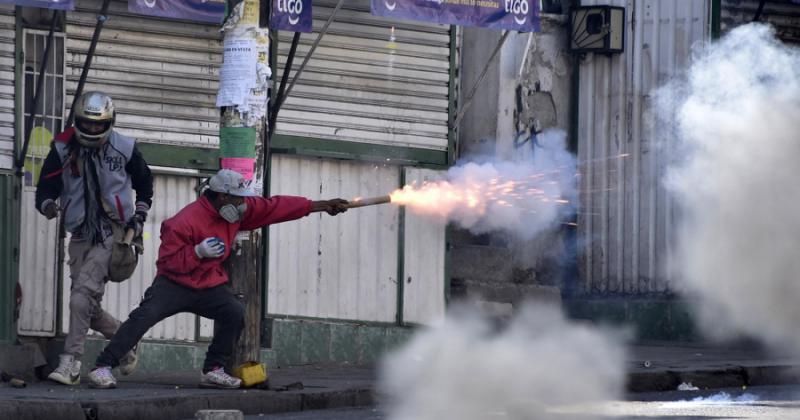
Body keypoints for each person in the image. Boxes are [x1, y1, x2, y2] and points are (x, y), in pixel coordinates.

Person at [88, 169, 349, 389]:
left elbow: (275, 207)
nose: (243, 204)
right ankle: (102, 366)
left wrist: (320, 206)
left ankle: (213, 369)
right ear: (223, 196)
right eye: (238, 199)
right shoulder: (182, 222)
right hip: (173, 284)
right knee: (141, 319)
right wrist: (196, 252)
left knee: (234, 312)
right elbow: (169, 263)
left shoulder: (235, 212)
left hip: (207, 284)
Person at [35, 91, 153, 385]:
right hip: (79, 232)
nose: (91, 129)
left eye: (98, 124)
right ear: (78, 121)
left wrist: (139, 216)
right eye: (86, 124)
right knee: (88, 305)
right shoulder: (62, 148)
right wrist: (48, 205)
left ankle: (70, 363)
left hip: (113, 233)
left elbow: (145, 185)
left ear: (109, 123)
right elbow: (45, 189)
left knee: (80, 297)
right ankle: (125, 341)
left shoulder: (125, 148)